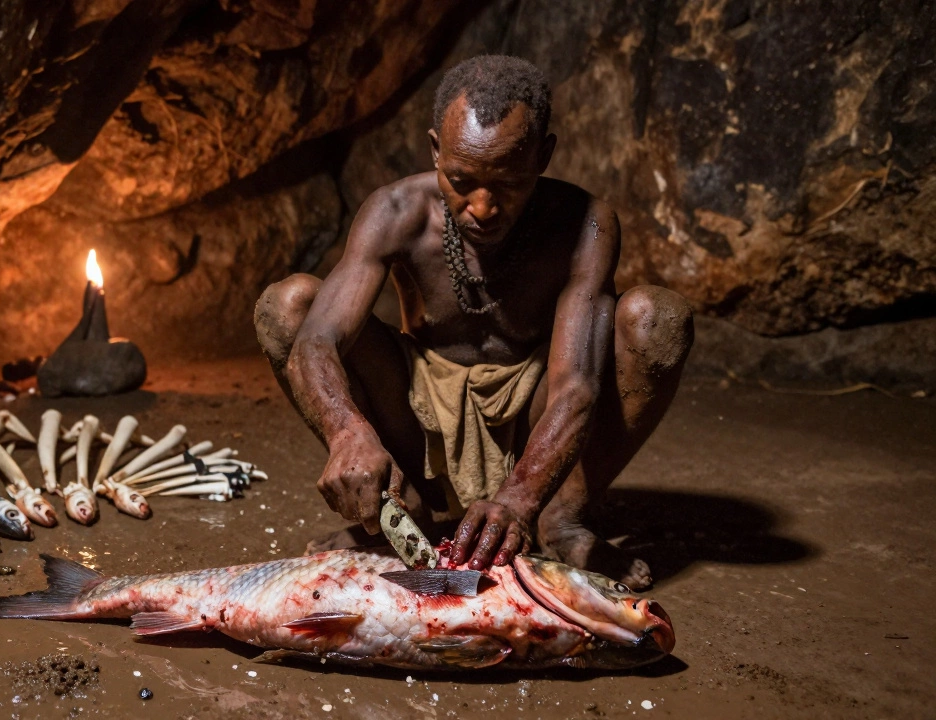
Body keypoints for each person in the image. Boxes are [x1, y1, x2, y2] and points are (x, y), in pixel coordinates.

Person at [253, 55, 694, 590]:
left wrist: (522, 497)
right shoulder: (396, 211)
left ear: (543, 155)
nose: (482, 206)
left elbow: (576, 385)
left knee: (656, 318)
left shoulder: (585, 222)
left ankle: (561, 518)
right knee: (289, 306)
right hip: (419, 416)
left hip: (537, 418)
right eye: (461, 180)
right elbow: (316, 340)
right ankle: (399, 510)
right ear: (436, 149)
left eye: (507, 182)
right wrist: (347, 433)